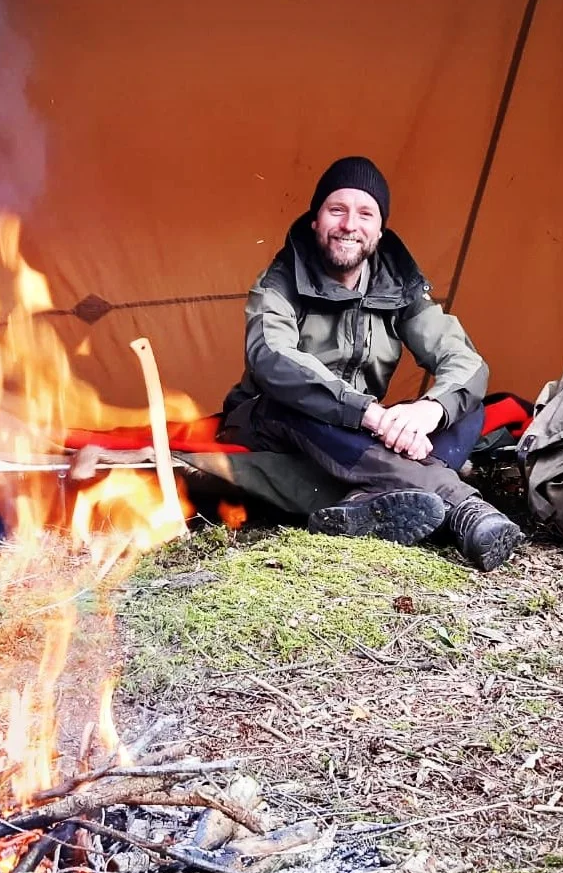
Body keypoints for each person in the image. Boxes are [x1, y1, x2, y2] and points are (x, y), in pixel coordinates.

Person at [220, 156, 523, 571]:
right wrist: (372, 416)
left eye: (366, 213)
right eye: (336, 209)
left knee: (464, 403)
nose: (349, 225)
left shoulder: (398, 287)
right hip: (277, 418)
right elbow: (272, 358)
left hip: (358, 435)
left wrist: (427, 410)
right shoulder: (280, 282)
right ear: (315, 219)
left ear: (380, 230)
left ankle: (365, 503)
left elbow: (463, 359)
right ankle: (462, 507)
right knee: (299, 402)